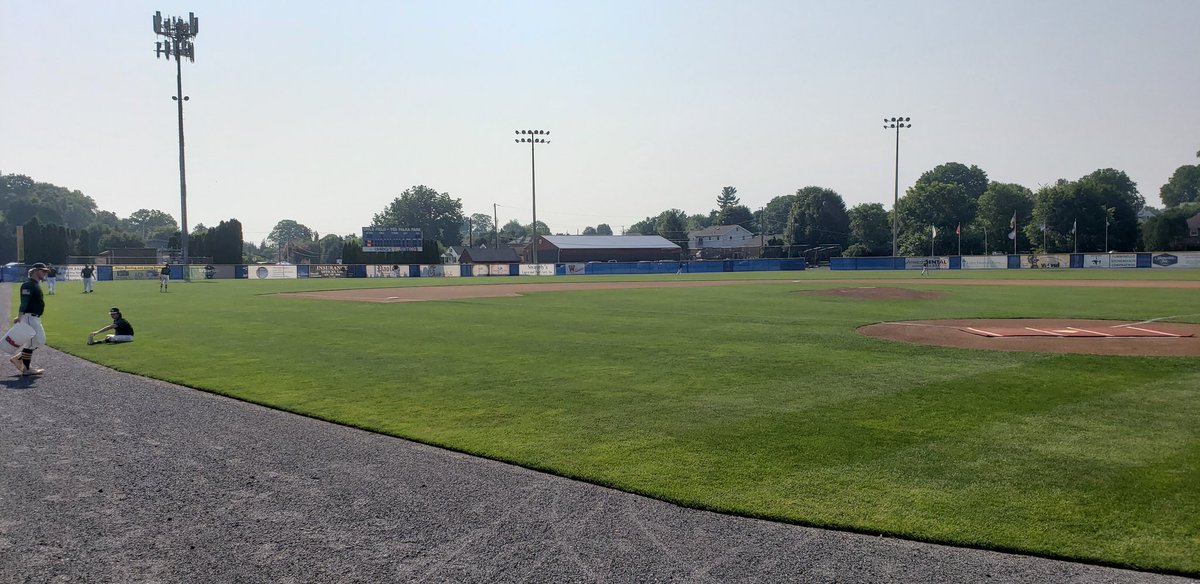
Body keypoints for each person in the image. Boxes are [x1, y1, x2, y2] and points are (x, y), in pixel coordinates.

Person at [10, 263, 50, 375]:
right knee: (33, 342)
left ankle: (18, 359)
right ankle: (27, 369)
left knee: (39, 341)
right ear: (35, 271)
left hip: (34, 318)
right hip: (29, 317)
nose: (45, 273)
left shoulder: (35, 284)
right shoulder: (28, 285)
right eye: (43, 271)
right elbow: (24, 302)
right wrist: (19, 316)